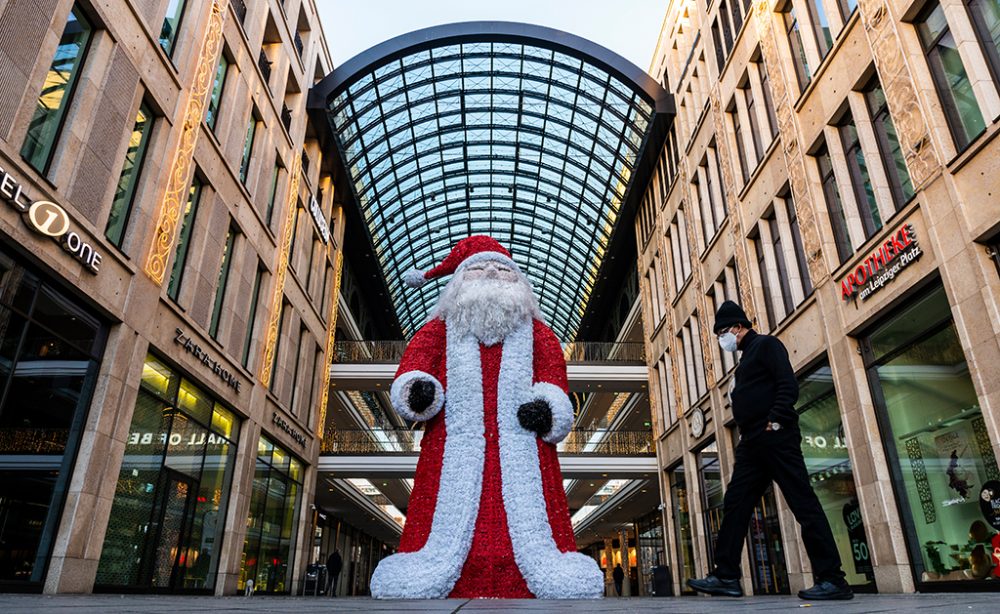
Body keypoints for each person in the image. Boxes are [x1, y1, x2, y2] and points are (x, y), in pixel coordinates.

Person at [368, 236, 603, 599]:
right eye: (478, 268)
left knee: (531, 526)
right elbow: (413, 371)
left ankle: (534, 573)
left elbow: (554, 380)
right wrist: (419, 390)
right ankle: (437, 570)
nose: (492, 271)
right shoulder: (438, 330)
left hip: (523, 451)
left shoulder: (539, 334)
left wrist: (546, 405)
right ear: (458, 283)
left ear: (521, 283)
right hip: (451, 448)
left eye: (504, 270)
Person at [687, 301, 853, 601]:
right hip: (752, 444)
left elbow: (787, 384)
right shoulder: (746, 358)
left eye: (722, 333)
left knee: (803, 504)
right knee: (735, 503)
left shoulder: (766, 345)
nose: (721, 340)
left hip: (776, 438)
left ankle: (833, 579)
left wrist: (775, 420)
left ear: (737, 327)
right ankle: (725, 576)